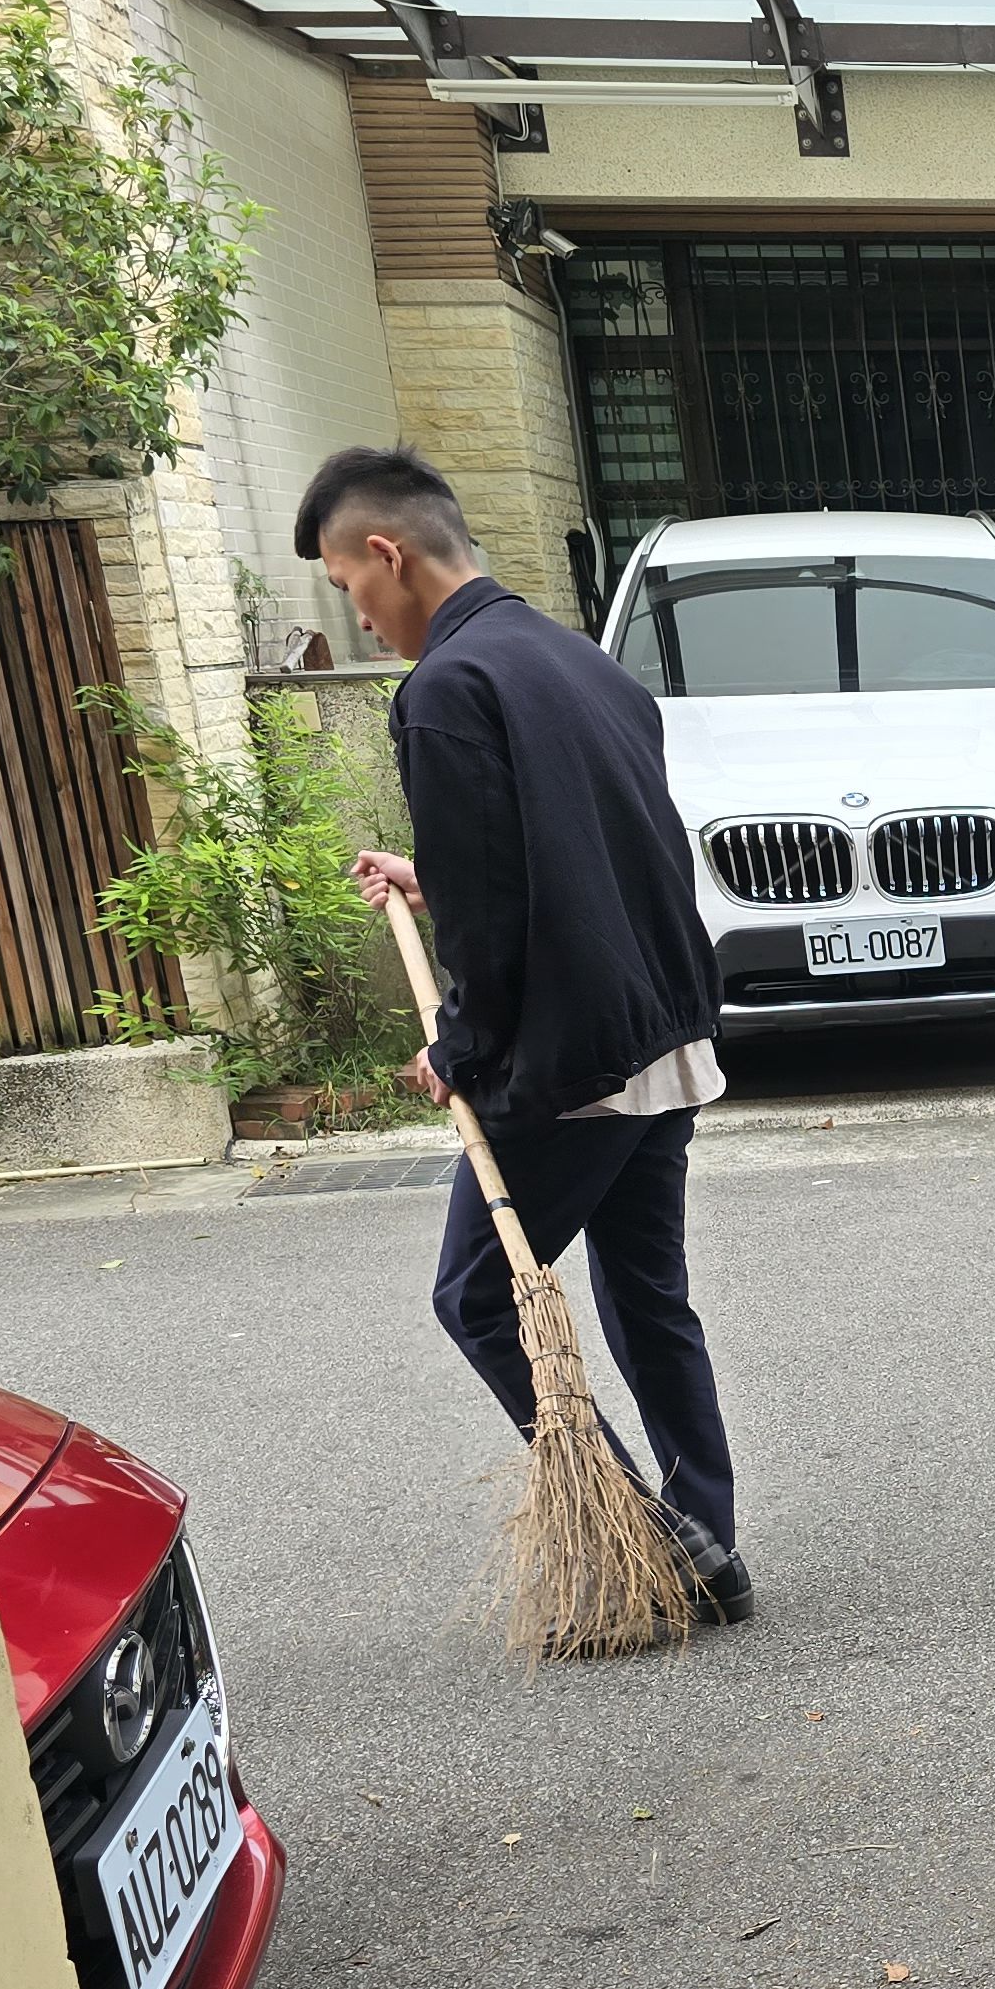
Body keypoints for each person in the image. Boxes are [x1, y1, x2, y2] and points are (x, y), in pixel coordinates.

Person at [295, 445, 751, 1626]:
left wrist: (462, 1049)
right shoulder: (576, 663)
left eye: (350, 586)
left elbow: (499, 915)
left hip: (575, 1057)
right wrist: (428, 875)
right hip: (667, 1029)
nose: (360, 615)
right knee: (649, 1296)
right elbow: (578, 849)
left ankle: (655, 1540)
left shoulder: (446, 690)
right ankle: (709, 1533)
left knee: (477, 1298)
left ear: (387, 554)